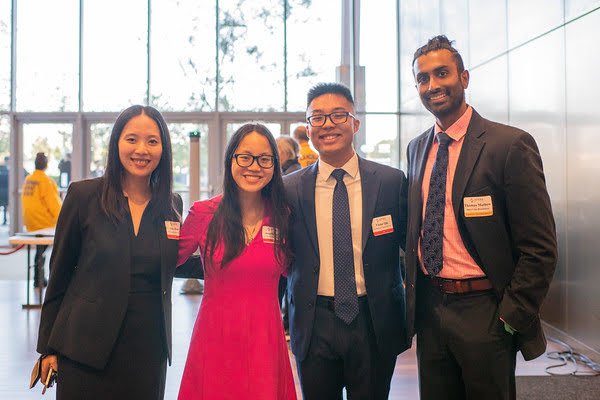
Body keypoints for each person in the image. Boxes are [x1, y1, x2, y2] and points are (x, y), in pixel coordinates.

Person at [405, 35, 558, 400]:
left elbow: (540, 247)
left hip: (486, 312)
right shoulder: (416, 149)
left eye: (442, 73)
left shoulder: (509, 145)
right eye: (423, 78)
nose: (432, 85)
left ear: (464, 77)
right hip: (431, 309)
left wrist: (511, 315)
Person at [36, 105, 183, 399]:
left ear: (163, 149)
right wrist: (47, 347)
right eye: (132, 139)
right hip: (84, 349)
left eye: (152, 141)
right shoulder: (84, 196)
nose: (141, 150)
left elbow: (177, 261)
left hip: (148, 351)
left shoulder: (171, 205)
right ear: (116, 143)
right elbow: (59, 274)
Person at [284, 82, 408, 399]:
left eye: (338, 115)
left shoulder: (391, 182)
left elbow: (413, 247)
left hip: (374, 321)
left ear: (355, 123)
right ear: (308, 129)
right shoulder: (289, 189)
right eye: (318, 117)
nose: (328, 124)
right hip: (314, 322)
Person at [176, 123, 297, 399]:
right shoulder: (204, 213)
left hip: (265, 342)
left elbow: (297, 269)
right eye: (245, 157)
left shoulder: (284, 216)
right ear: (231, 159)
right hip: (215, 340)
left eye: (264, 159)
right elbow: (166, 260)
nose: (254, 166)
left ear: (275, 165)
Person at [21, 152, 62, 288]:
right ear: (46, 165)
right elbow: (54, 204)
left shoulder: (28, 179)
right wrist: (62, 220)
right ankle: (39, 278)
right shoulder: (46, 181)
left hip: (30, 221)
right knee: (42, 251)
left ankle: (38, 278)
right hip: (43, 222)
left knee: (40, 250)